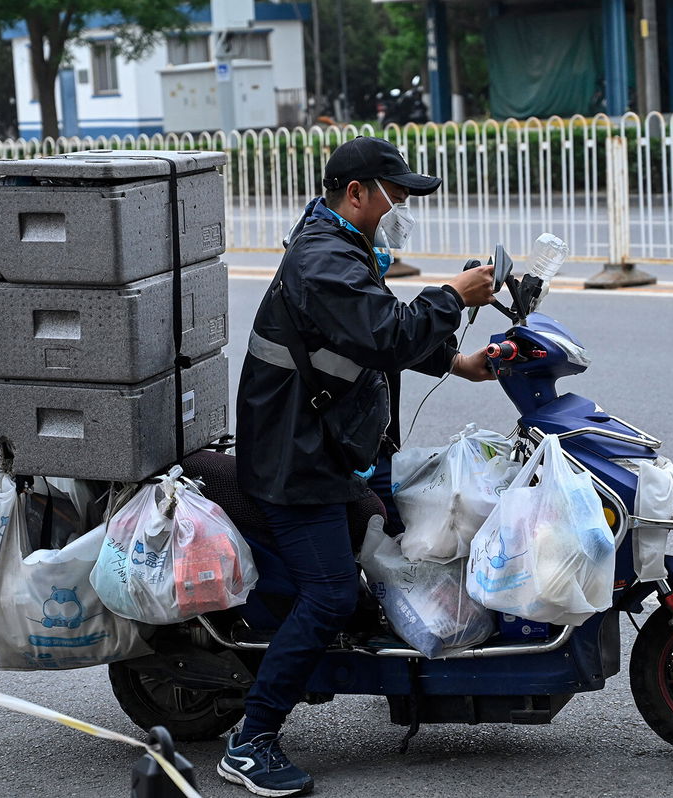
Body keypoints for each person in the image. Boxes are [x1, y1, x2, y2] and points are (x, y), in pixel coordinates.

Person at [227, 136, 496, 796]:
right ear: (357, 194)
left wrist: (456, 362)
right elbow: (385, 334)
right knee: (332, 593)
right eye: (395, 197)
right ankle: (250, 739)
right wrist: (452, 297)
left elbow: (363, 339)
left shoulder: (341, 244)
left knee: (382, 528)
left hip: (323, 446)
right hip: (296, 459)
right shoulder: (324, 258)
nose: (400, 208)